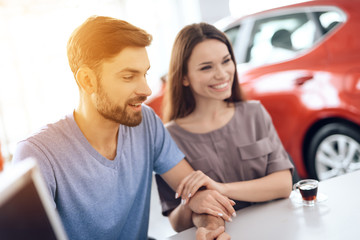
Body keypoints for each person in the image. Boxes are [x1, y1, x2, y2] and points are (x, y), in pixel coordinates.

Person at [12, 16, 234, 240]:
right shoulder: (37, 155)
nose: (146, 90)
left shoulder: (146, 122)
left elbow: (198, 193)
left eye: (144, 73)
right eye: (129, 76)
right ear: (88, 81)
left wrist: (209, 227)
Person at [155, 22, 294, 237]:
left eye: (226, 61)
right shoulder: (168, 137)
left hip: (278, 229)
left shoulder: (254, 113)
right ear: (183, 77)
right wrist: (194, 200)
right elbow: (176, 223)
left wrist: (221, 188)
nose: (222, 74)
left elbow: (284, 184)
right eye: (206, 67)